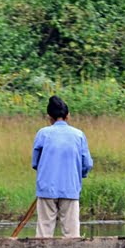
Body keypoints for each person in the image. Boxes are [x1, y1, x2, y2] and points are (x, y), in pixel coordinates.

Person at [31, 96, 93, 238]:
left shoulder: (43, 134)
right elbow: (87, 163)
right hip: (70, 188)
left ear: (49, 117)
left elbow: (35, 163)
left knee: (44, 233)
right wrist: (79, 174)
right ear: (68, 116)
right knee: (71, 234)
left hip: (46, 188)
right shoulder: (79, 135)